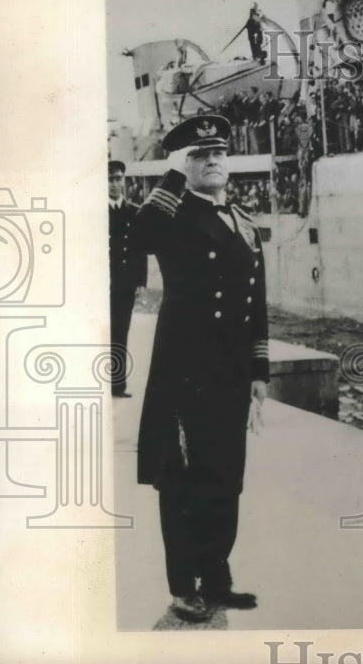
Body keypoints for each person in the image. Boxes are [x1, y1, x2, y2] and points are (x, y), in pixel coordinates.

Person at [132, 115, 269, 623]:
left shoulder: (245, 222)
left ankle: (216, 575)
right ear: (182, 165)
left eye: (218, 152)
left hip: (231, 373)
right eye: (198, 154)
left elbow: (256, 303)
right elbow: (139, 234)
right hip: (184, 371)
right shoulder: (173, 215)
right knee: (183, 480)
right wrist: (170, 177)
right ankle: (183, 584)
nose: (212, 160)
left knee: (226, 477)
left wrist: (259, 372)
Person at [108, 160, 147, 398]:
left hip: (124, 284)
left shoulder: (134, 211)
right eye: (110, 179)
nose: (115, 184)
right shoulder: (96, 212)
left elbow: (139, 248)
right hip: (102, 284)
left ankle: (117, 384)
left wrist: (140, 281)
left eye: (118, 178)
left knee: (121, 331)